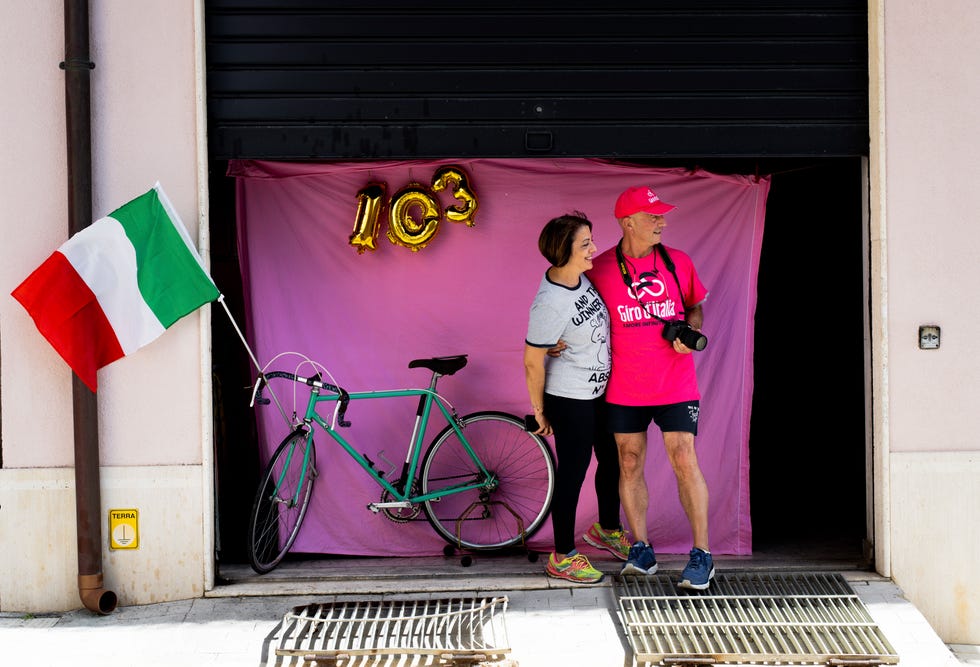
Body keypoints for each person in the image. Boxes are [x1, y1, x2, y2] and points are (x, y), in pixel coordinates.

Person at [586, 185, 715, 590]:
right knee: (628, 462)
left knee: (683, 458)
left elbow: (695, 305)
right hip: (624, 385)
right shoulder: (598, 269)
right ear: (628, 222)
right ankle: (640, 549)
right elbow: (580, 314)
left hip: (676, 382)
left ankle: (702, 554)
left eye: (662, 215)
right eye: (653, 215)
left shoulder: (678, 261)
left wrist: (691, 329)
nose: (662, 222)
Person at [523, 212, 630, 585]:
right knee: (573, 473)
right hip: (570, 398)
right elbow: (532, 361)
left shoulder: (579, 279)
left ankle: (606, 530)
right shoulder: (550, 301)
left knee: (612, 459)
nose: (594, 249)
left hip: (598, 391)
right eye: (585, 244)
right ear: (563, 251)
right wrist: (540, 411)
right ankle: (563, 555)